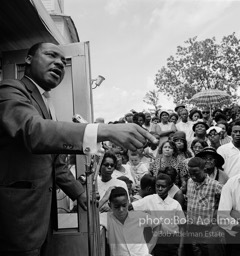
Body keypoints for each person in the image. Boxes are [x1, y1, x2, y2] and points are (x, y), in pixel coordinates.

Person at [0, 42, 157, 255]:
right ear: (28, 59)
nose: (58, 63)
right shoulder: (10, 90)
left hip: (41, 221)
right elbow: (33, 131)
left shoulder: (47, 103)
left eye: (63, 62)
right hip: (17, 221)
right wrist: (104, 131)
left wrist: (79, 193)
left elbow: (54, 163)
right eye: (50, 55)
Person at [131, 173, 186, 256]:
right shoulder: (149, 199)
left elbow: (182, 226)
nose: (160, 189)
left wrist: (180, 247)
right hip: (157, 241)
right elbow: (130, 207)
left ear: (169, 187)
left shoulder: (175, 204)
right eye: (157, 186)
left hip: (173, 241)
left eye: (163, 186)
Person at [100, 187, 161, 256]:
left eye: (124, 205)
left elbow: (157, 224)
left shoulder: (138, 216)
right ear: (110, 205)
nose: (121, 210)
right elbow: (89, 216)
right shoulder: (106, 218)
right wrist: (104, 199)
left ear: (128, 202)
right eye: (117, 207)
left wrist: (150, 246)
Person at [186, 157, 225, 256]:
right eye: (190, 174)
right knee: (196, 252)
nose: (193, 177)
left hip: (207, 229)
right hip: (192, 228)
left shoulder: (215, 185)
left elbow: (228, 202)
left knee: (208, 252)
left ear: (204, 169)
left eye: (196, 173)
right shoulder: (189, 182)